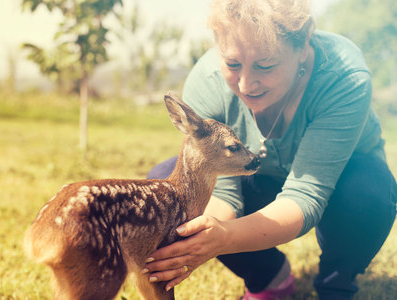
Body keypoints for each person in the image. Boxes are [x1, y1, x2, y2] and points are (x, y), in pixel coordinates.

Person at [144, 0, 397, 299]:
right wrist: (197, 239)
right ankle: (269, 276)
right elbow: (223, 192)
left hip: (342, 185)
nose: (246, 84)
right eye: (232, 64)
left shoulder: (344, 76)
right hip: (257, 177)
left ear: (303, 44)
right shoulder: (207, 81)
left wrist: (223, 239)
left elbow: (306, 195)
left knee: (370, 191)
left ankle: (335, 285)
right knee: (164, 180)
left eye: (266, 65)